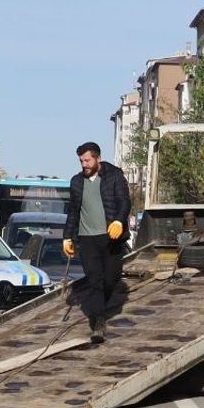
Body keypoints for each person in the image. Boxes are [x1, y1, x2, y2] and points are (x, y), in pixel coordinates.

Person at [62, 141, 130, 344]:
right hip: (87, 239)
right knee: (95, 281)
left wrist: (118, 220)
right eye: (81, 161)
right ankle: (98, 323)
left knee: (111, 279)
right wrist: (67, 237)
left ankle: (103, 308)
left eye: (87, 160)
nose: (84, 164)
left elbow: (124, 201)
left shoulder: (114, 176)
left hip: (111, 237)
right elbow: (73, 211)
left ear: (97, 158)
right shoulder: (76, 182)